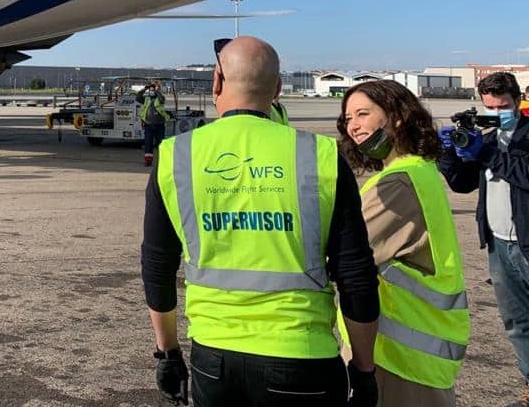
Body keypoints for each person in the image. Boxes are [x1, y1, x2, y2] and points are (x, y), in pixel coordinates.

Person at [142, 36, 379, 407]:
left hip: (214, 356)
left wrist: (168, 353)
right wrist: (364, 370)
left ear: (216, 82)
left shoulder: (174, 156)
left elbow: (158, 267)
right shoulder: (321, 155)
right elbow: (356, 275)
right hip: (302, 356)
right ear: (278, 89)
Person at [339, 80, 469, 406]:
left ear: (397, 117)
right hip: (414, 350)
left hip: (398, 357)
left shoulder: (399, 183)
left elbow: (343, 253)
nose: (353, 125)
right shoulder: (415, 171)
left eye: (363, 114)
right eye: (348, 117)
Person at [439, 71, 529, 406]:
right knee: (517, 323)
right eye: (489, 106)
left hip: (527, 244)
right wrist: (448, 153)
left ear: (518, 100)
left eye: (502, 105)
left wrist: (487, 154)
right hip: (498, 244)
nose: (496, 111)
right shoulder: (488, 139)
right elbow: (463, 184)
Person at [137, 81, 170, 167]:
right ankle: (148, 161)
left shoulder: (160, 97)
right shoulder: (147, 99)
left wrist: (156, 90)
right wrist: (145, 88)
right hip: (149, 125)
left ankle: (162, 161)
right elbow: (138, 97)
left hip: (159, 125)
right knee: (148, 143)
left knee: (160, 144)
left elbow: (161, 99)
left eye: (155, 87)